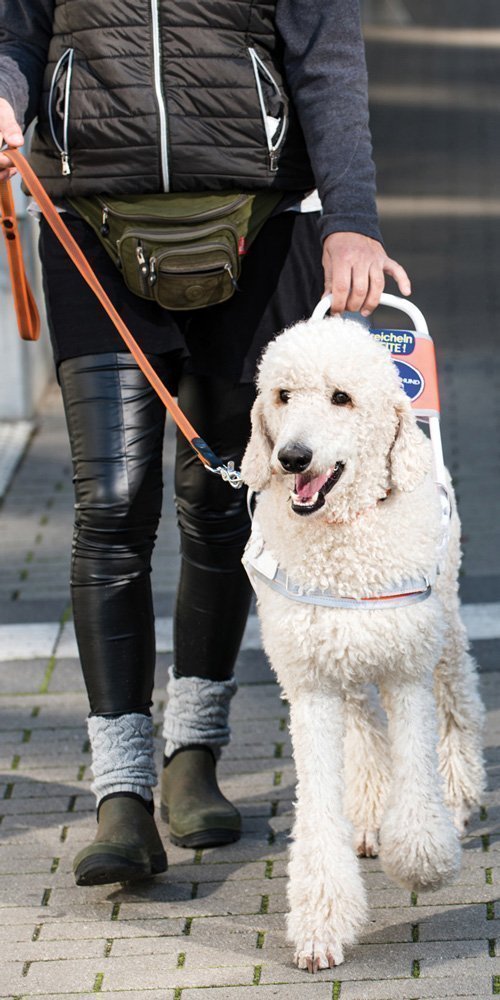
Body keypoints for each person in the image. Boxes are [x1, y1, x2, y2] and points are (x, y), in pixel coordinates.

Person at [0, 0, 410, 886]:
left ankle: (195, 755)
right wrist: (5, 91)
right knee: (110, 505)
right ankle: (120, 794)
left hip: (258, 224)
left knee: (222, 500)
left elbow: (327, 61)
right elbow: (20, 30)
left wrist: (353, 217)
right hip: (91, 225)